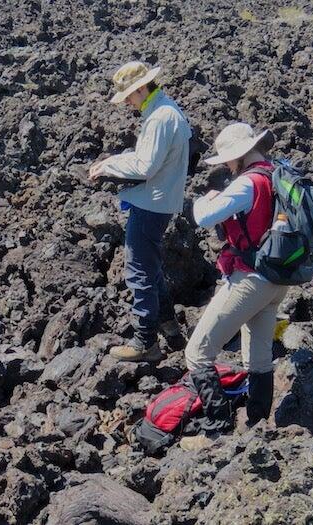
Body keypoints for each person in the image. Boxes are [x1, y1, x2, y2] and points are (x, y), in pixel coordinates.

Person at [185, 122, 287, 431]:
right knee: (257, 358)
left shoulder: (247, 183)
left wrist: (206, 198)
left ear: (240, 155)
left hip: (250, 280)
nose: (228, 165)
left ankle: (219, 426)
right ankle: (255, 425)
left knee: (197, 353)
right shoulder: (276, 174)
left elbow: (203, 218)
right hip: (277, 279)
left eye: (228, 159)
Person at [89, 62, 191, 362]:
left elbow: (146, 167)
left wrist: (108, 165)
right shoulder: (164, 109)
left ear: (141, 88)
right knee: (152, 267)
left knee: (139, 271)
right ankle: (170, 328)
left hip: (152, 203)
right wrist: (114, 160)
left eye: (129, 96)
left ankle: (145, 342)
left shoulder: (160, 117)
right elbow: (148, 157)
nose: (128, 104)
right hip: (160, 200)